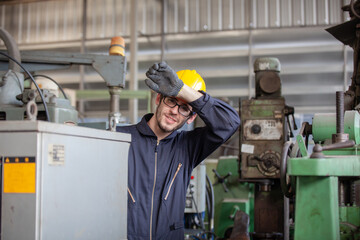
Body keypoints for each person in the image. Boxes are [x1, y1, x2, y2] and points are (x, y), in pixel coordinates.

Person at [116, 62, 240, 240]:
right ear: (159, 99)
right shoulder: (120, 138)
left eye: (184, 108)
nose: (174, 111)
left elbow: (230, 122)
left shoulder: (188, 147)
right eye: (171, 100)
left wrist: (181, 90)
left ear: (191, 118)